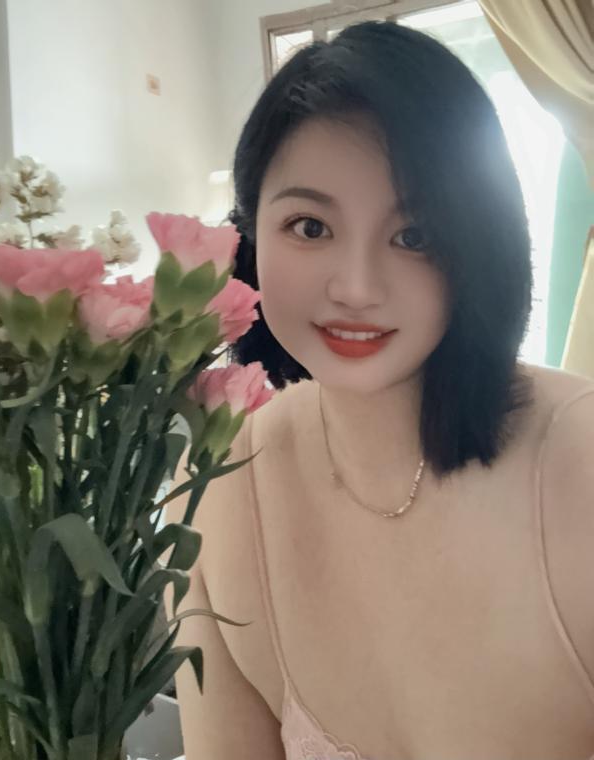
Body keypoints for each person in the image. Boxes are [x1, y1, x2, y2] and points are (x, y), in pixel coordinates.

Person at [163, 19, 594, 760]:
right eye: (310, 226)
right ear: (250, 234)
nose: (357, 288)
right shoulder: (216, 485)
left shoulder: (580, 465)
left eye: (414, 236)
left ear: (480, 244)